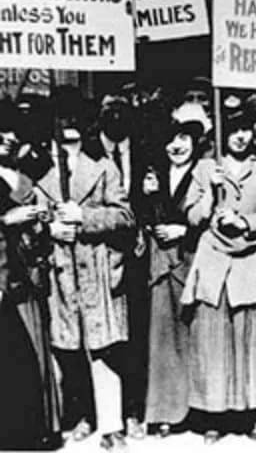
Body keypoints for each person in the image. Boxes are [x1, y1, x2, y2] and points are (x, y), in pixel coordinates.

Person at [180, 95, 256, 444]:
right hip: (214, 262)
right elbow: (193, 216)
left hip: (252, 260)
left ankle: (253, 414)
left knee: (252, 340)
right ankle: (215, 415)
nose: (240, 136)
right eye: (234, 129)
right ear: (223, 131)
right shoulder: (205, 168)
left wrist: (245, 221)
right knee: (214, 340)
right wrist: (211, 193)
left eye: (245, 129)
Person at [35, 88, 135, 451]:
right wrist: (48, 228)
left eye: (75, 114)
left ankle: (111, 423)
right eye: (63, 115)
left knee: (103, 348)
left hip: (96, 272)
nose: (69, 123)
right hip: (61, 275)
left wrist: (85, 217)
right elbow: (30, 217)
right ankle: (81, 415)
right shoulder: (42, 168)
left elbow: (125, 218)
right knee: (67, 349)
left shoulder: (103, 166)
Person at [141, 103, 214, 436]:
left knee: (198, 337)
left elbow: (217, 217)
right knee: (164, 340)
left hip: (195, 261)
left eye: (184, 137)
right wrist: (147, 198)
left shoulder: (206, 171)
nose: (177, 145)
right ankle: (167, 410)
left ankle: (200, 411)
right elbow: (141, 217)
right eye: (171, 139)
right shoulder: (154, 174)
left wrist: (185, 231)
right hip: (162, 265)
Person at [83, 89, 148, 440]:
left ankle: (135, 409)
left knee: (136, 335)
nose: (117, 117)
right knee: (104, 338)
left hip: (138, 259)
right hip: (102, 258)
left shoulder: (143, 151)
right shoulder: (89, 155)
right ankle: (100, 415)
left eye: (122, 111)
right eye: (110, 111)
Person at [0, 101, 61, 450]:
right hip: (2, 281)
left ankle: (36, 427)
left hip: (26, 279)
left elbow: (39, 233)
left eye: (12, 132)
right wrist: (6, 221)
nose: (8, 138)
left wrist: (38, 224)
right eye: (1, 131)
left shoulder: (26, 179)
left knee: (32, 357)